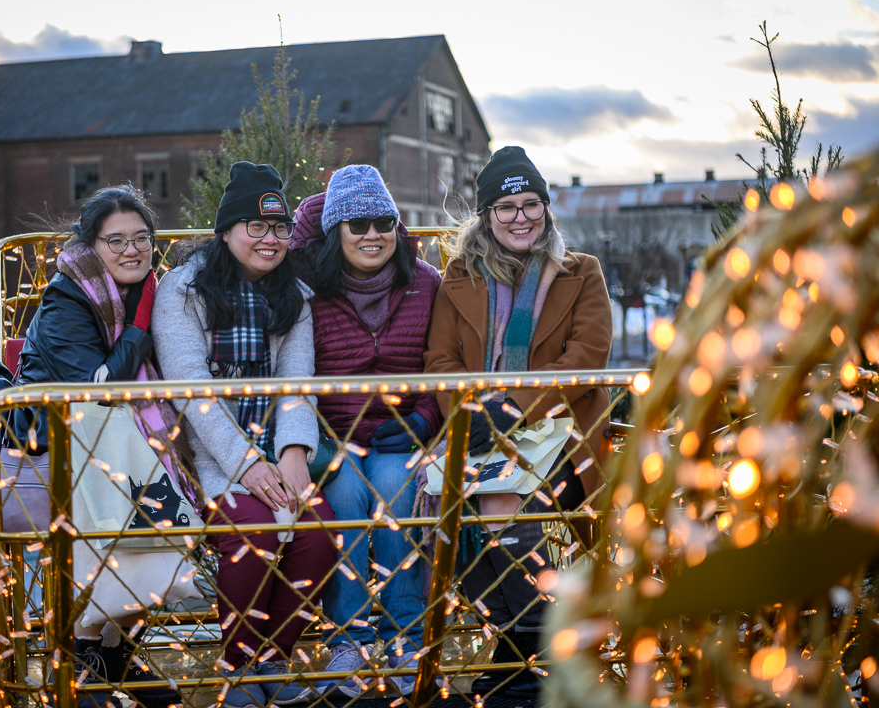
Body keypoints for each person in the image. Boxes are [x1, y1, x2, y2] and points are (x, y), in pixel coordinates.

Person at [423, 146, 613, 700]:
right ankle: (522, 648)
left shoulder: (581, 273)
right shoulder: (457, 278)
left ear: (547, 210)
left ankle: (530, 652)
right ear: (486, 216)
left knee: (503, 504)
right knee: (441, 508)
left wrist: (510, 405)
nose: (521, 217)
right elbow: (440, 363)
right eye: (506, 207)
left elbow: (587, 356)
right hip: (477, 428)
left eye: (532, 204)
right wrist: (473, 413)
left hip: (560, 430)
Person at [154, 162, 335, 708]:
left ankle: (271, 658)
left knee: (322, 536)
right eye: (255, 227)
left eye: (279, 228)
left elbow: (295, 385)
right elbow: (193, 393)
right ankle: (238, 668)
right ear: (227, 231)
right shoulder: (182, 290)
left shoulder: (294, 298)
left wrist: (294, 454)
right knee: (252, 536)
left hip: (276, 448)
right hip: (205, 455)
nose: (270, 239)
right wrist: (245, 465)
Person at [10, 184, 196, 708]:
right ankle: (95, 650)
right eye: (117, 241)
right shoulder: (67, 296)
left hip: (119, 438)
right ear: (92, 245)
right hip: (61, 437)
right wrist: (140, 326)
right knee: (125, 498)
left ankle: (109, 650)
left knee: (152, 493)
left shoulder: (149, 289)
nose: (132, 250)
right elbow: (98, 389)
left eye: (142, 238)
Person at [289, 165, 442, 698]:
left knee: (399, 492)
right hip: (333, 435)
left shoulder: (424, 281)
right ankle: (348, 642)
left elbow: (441, 362)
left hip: (403, 431)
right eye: (356, 224)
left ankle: (406, 640)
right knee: (348, 494)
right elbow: (297, 370)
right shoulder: (310, 287)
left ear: (397, 228)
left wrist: (424, 417)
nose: (371, 234)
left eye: (383, 222)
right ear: (335, 232)